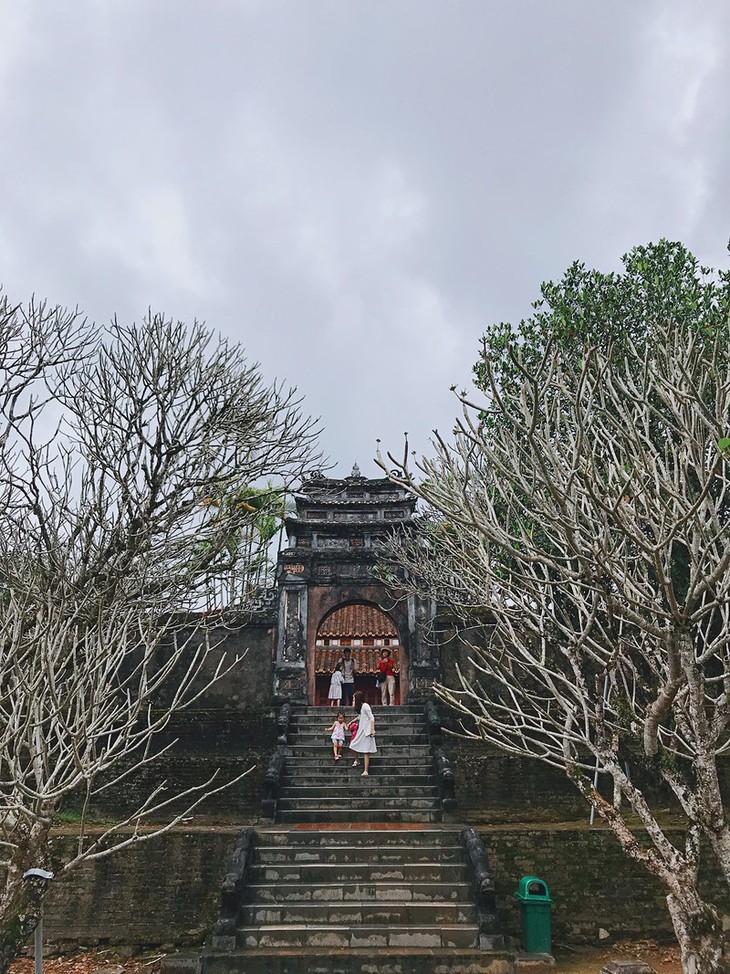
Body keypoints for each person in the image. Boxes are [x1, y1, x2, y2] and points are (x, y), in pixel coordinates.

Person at [349, 691, 376, 776]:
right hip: (361, 731)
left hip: (367, 731)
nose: (353, 700)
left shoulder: (365, 706)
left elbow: (371, 717)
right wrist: (351, 721)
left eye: (354, 699)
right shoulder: (361, 707)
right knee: (352, 745)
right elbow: (360, 716)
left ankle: (366, 770)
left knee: (366, 751)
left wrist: (372, 729)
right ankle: (357, 760)